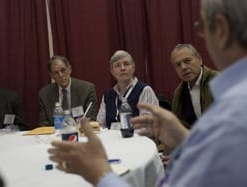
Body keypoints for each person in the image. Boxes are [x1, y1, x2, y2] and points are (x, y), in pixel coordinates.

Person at [48, 0, 247, 186]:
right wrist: (185, 140)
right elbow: (219, 160)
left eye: (203, 28)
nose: (123, 69)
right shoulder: (112, 94)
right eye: (118, 66)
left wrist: (99, 174)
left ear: (221, 29)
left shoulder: (233, 114)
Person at [96, 50, 159, 129]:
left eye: (126, 64)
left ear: (133, 68)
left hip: (137, 140)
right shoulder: (107, 95)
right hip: (112, 140)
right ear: (112, 71)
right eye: (118, 65)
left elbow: (147, 126)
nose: (122, 68)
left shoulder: (144, 90)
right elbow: (100, 125)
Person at [38, 55, 98, 125]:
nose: (61, 75)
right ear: (51, 76)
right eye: (56, 73)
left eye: (63, 70)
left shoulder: (87, 89)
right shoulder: (44, 94)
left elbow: (90, 119)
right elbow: (43, 124)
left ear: (70, 69)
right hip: (55, 134)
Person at [171, 44, 218, 129]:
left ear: (199, 59)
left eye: (187, 61)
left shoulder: (218, 81)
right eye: (178, 65)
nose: (183, 67)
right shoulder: (179, 93)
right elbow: (177, 126)